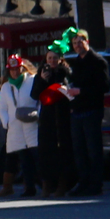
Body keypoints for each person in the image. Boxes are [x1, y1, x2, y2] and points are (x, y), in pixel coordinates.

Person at [65, 29, 108, 196]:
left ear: (87, 42)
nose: (77, 46)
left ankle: (96, 184)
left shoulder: (98, 61)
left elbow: (104, 86)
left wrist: (80, 91)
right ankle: (83, 182)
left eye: (80, 42)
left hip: (92, 110)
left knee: (93, 149)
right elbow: (73, 84)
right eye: (74, 43)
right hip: (76, 111)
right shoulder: (76, 63)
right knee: (79, 149)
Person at [0, 54, 40, 198]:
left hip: (32, 124)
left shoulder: (33, 81)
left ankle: (48, 186)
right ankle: (29, 188)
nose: (15, 72)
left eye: (17, 69)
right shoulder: (6, 87)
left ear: (22, 68)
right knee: (24, 159)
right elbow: (1, 108)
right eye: (12, 69)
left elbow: (40, 100)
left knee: (38, 156)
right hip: (15, 128)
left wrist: (39, 114)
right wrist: (6, 122)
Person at [34, 45, 75, 196]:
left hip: (62, 114)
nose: (52, 61)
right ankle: (46, 184)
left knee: (63, 151)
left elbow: (71, 91)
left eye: (55, 58)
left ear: (60, 59)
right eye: (49, 58)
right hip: (47, 116)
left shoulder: (66, 72)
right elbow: (34, 94)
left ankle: (63, 184)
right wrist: (42, 81)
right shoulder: (42, 73)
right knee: (46, 150)